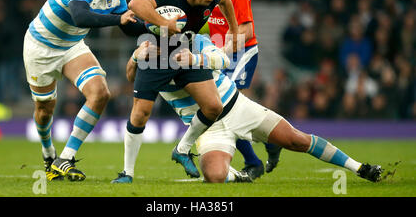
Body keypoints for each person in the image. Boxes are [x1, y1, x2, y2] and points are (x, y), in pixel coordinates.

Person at [121, 35, 383, 183]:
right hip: (208, 128)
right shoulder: (145, 55)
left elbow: (224, 58)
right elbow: (131, 76)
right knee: (214, 176)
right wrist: (135, 56)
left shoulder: (194, 41)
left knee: (297, 140)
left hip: (237, 107)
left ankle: (360, 168)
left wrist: (196, 59)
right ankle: (241, 176)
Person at [111, 0, 239, 183]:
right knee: (140, 113)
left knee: (213, 107)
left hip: (185, 52)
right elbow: (136, 3)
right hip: (156, 53)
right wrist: (163, 23)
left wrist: (234, 31)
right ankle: (127, 173)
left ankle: (182, 149)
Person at [23, 0, 139, 181]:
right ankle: (48, 155)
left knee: (100, 93)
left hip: (72, 46)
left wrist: (158, 28)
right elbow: (81, 17)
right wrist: (119, 18)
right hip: (41, 49)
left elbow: (129, 28)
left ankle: (65, 157)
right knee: (45, 110)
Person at [201, 0, 281, 179]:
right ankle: (269, 141)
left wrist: (224, 50)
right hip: (219, 54)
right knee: (225, 108)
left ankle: (254, 160)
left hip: (241, 51)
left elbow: (246, 29)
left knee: (226, 106)